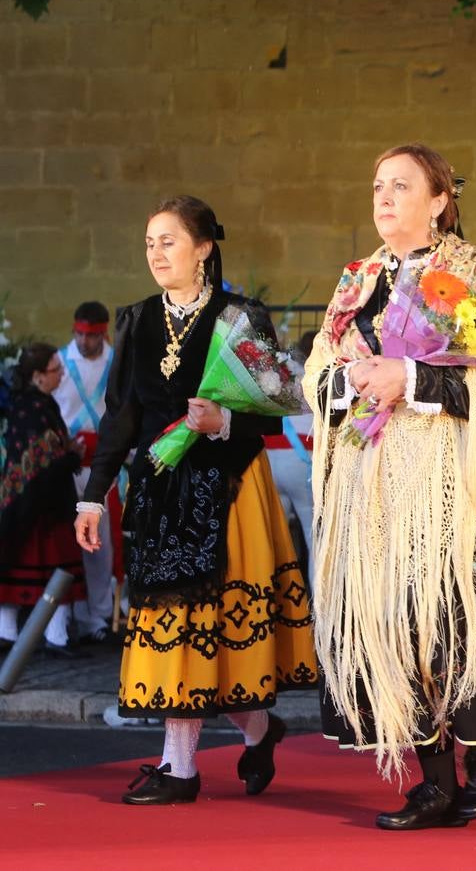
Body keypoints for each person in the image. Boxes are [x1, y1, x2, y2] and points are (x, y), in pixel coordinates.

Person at [306, 144, 476, 830]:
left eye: (402, 185)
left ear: (440, 200)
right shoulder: (356, 278)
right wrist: (349, 381)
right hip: (372, 473)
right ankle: (432, 778)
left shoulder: (468, 272)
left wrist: (410, 380)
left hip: (447, 477)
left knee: (450, 616)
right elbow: (317, 369)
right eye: (378, 185)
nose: (384, 197)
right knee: (389, 623)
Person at [74, 196, 317, 805]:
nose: (156, 253)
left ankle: (185, 765)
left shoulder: (241, 316)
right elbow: (120, 418)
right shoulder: (133, 320)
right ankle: (242, 737)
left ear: (204, 248)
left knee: (215, 630)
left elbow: (274, 411)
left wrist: (222, 424)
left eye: (169, 241)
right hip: (159, 486)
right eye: (150, 242)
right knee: (169, 622)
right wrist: (92, 497)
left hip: (229, 487)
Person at [0, 343, 86, 658]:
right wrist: (71, 455)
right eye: (55, 369)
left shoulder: (36, 404)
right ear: (37, 376)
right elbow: (41, 460)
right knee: (51, 566)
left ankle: (46, 633)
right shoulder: (32, 409)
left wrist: (65, 454)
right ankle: (38, 635)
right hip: (38, 505)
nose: (61, 374)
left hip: (31, 501)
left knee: (33, 565)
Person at [53, 301, 119, 644]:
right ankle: (66, 620)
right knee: (65, 544)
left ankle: (99, 617)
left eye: (90, 336)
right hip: (65, 463)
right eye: (78, 334)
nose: (83, 341)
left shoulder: (117, 362)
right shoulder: (59, 363)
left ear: (103, 333)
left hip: (101, 465)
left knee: (100, 545)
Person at [265, 330, 315, 566]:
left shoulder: (276, 374)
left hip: (270, 459)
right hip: (302, 461)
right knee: (313, 537)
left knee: (274, 541)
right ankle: (318, 600)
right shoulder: (314, 377)